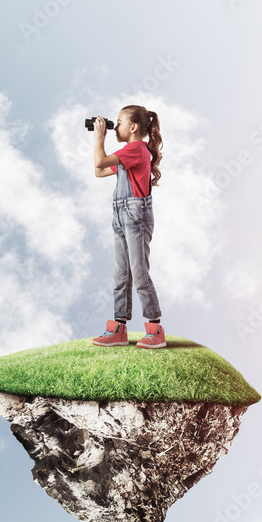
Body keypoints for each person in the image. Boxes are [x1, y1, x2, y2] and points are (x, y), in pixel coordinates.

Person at [90, 105, 165, 349]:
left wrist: (99, 137)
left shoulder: (134, 149)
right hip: (121, 215)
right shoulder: (126, 154)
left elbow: (100, 160)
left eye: (119, 122)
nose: (115, 126)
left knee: (139, 273)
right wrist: (98, 140)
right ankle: (119, 328)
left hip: (135, 215)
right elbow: (99, 171)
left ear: (133, 128)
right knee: (120, 274)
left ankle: (155, 329)